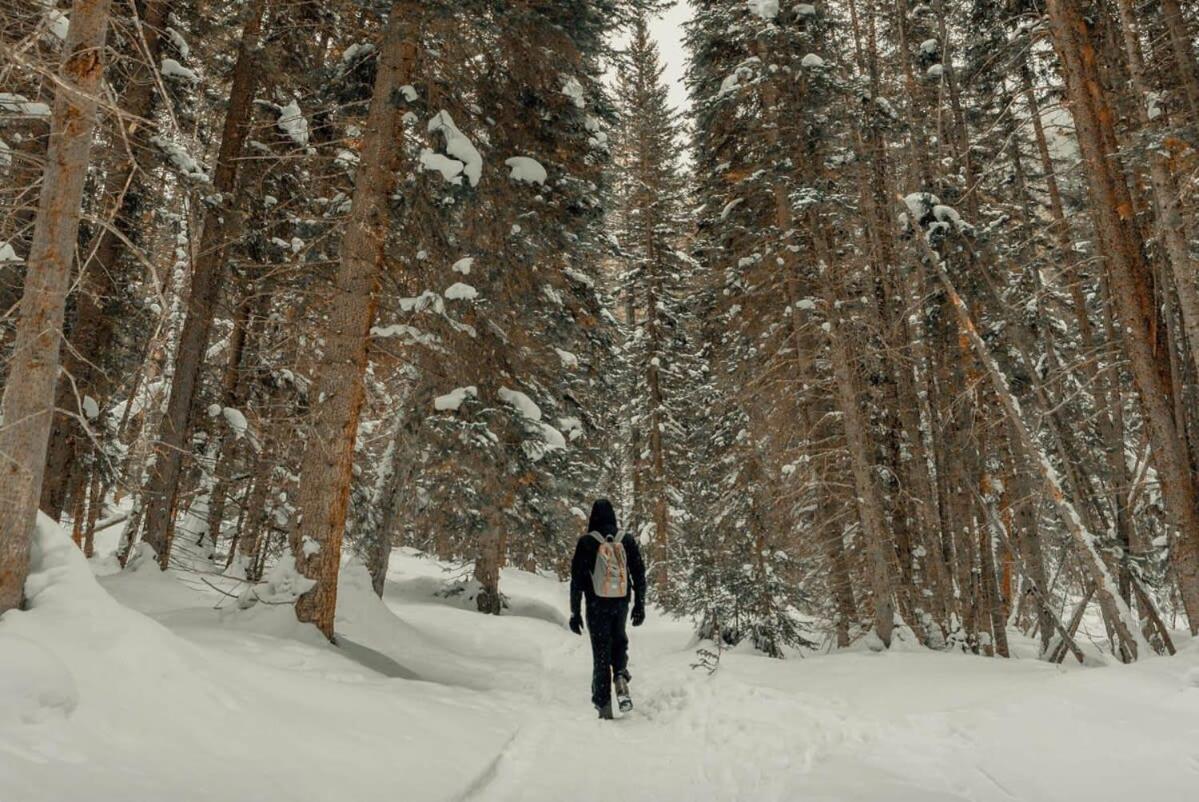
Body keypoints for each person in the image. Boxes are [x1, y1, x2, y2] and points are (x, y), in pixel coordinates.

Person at [568, 499, 647, 719]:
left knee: (601, 652)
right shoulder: (626, 540)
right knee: (619, 639)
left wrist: (574, 612)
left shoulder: (587, 542)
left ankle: (604, 705)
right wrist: (640, 604)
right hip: (621, 602)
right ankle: (620, 675)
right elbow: (639, 575)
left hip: (596, 604)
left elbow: (577, 581)